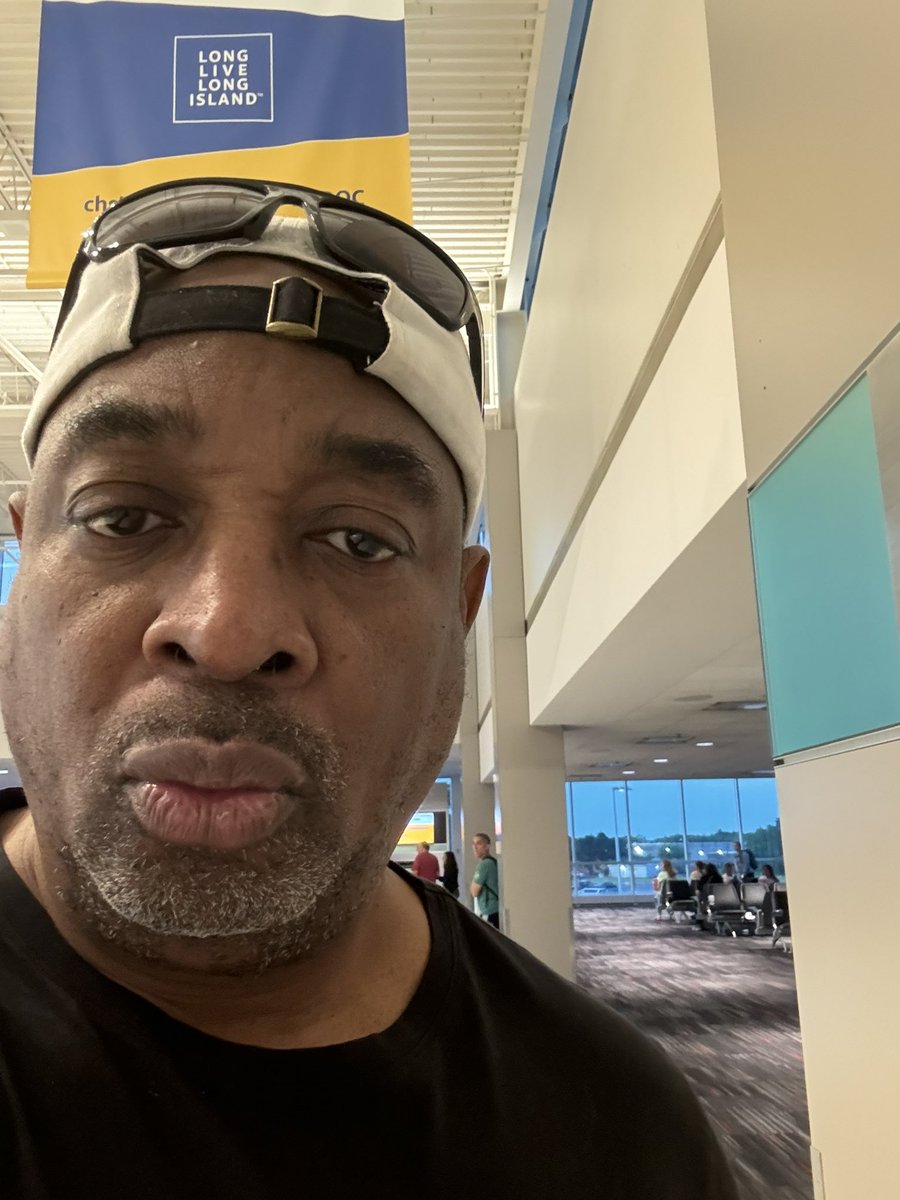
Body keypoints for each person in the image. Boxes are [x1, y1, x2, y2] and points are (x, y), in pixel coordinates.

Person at [0, 179, 737, 1198]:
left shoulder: (620, 1139)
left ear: (460, 613)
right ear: (24, 553)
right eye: (122, 518)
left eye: (358, 540)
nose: (227, 633)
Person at [469, 832, 500, 928]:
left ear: (487, 846)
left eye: (479, 843)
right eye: (473, 843)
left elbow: (474, 892)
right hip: (496, 909)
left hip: (489, 910)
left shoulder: (484, 865)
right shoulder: (493, 861)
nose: (475, 847)